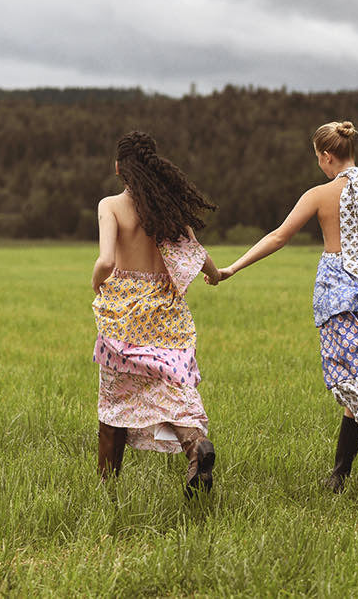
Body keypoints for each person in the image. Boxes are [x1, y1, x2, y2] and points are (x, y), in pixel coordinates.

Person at [217, 121, 358, 506]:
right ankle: (339, 475)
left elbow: (279, 236)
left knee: (357, 382)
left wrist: (233, 267)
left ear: (327, 155)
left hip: (341, 301)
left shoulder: (319, 194)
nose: (320, 166)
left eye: (319, 159)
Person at [91, 131, 221, 497]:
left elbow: (106, 260)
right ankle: (196, 447)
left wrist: (96, 283)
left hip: (125, 312)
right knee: (175, 389)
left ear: (118, 168)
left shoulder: (110, 205)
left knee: (115, 397)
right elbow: (197, 253)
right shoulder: (167, 208)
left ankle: (107, 486)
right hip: (166, 310)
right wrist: (216, 274)